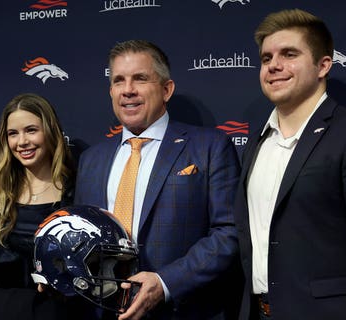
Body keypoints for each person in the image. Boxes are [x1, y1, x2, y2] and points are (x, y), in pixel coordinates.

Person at [233, 9, 346, 320]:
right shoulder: (256, 143)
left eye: (289, 54)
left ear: (323, 65)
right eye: (266, 58)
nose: (274, 66)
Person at [74, 40, 242, 319]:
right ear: (111, 90)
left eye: (140, 78)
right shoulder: (91, 159)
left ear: (166, 89)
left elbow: (229, 233)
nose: (128, 90)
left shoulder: (209, 147)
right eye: (119, 81)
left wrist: (165, 283)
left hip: (183, 310)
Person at [0, 93, 84, 320]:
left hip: (60, 310)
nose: (22, 142)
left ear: (50, 131)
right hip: (3, 308)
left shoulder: (77, 189)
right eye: (13, 134)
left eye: (31, 130)